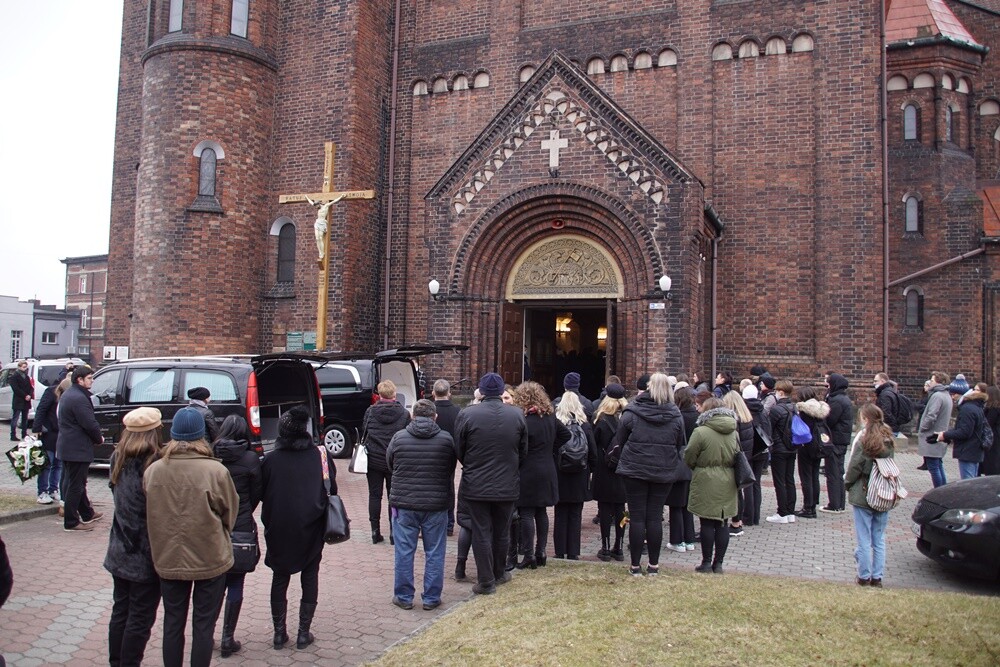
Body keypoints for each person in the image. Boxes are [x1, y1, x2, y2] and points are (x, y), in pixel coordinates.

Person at [144, 406, 238, 667]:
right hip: (210, 555)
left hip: (168, 556)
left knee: (173, 622)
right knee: (203, 625)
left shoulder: (153, 471)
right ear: (201, 436)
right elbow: (230, 512)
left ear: (172, 434)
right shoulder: (215, 471)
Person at [261, 406, 337, 649]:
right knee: (310, 575)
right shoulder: (320, 455)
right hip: (312, 525)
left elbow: (261, 493)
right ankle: (304, 633)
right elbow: (332, 489)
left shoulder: (270, 460)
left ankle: (278, 633)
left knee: (279, 577)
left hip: (279, 526)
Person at [454, 373, 528, 595]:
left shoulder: (467, 414)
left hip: (476, 484)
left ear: (482, 391)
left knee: (481, 531)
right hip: (506, 483)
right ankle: (498, 573)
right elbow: (523, 451)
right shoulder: (517, 415)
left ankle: (487, 580)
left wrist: (473, 466)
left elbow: (460, 449)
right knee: (501, 531)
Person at [609, 373, 686, 576]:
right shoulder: (675, 414)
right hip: (663, 469)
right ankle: (653, 565)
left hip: (634, 469)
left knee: (637, 517)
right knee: (654, 516)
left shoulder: (632, 412)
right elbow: (680, 443)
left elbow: (620, 439)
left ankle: (635, 566)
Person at [105, 407, 164, 667]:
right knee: (140, 616)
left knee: (121, 610)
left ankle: (116, 661)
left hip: (119, 547)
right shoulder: (154, 462)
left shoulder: (118, 457)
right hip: (145, 553)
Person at [386, 399, 458, 611]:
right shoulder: (446, 439)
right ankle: (431, 597)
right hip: (436, 504)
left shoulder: (399, 438)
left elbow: (390, 463)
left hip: (404, 503)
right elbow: (450, 467)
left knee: (404, 551)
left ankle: (403, 596)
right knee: (435, 552)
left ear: (412, 416)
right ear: (435, 416)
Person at [212, 415, 262, 658]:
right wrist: (244, 512)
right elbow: (257, 493)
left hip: (213, 527)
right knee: (236, 581)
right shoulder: (251, 459)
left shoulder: (211, 456)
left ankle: (207, 633)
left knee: (213, 584)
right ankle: (227, 637)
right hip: (241, 525)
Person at [512, 381, 567, 569]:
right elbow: (566, 434)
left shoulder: (525, 420)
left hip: (528, 469)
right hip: (547, 467)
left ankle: (528, 555)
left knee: (526, 512)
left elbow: (518, 446)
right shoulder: (550, 417)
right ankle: (541, 551)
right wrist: (551, 450)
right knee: (541, 511)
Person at [685, 397, 739, 574]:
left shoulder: (701, 431)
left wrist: (697, 467)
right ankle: (719, 563)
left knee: (707, 522)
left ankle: (706, 562)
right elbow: (738, 454)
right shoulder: (733, 431)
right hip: (728, 478)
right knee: (723, 522)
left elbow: (689, 455)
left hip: (706, 477)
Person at [844, 403, 896, 587]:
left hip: (864, 490)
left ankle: (864, 575)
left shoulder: (865, 440)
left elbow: (855, 467)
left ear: (865, 419)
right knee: (879, 538)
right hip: (883, 491)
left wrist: (848, 483)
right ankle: (877, 576)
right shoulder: (888, 439)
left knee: (864, 537)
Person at [362, 380, 410, 545]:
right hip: (394, 460)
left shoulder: (370, 411)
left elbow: (364, 430)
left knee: (374, 495)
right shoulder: (404, 414)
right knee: (393, 497)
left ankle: (375, 531)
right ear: (394, 394)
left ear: (379, 395)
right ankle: (393, 532)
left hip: (373, 459)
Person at [56, 365, 104, 532]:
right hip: (76, 448)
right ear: (80, 380)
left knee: (77, 482)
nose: (92, 381)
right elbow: (89, 423)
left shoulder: (71, 394)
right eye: (90, 378)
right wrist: (99, 438)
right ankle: (71, 521)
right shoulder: (78, 398)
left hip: (69, 446)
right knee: (76, 485)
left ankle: (87, 513)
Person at [553, 392, 597, 560]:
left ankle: (559, 551)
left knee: (560, 513)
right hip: (580, 474)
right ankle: (573, 552)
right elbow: (592, 452)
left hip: (560, 473)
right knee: (575, 514)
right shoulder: (585, 425)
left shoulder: (557, 425)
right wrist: (590, 470)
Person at [591, 384, 628, 561]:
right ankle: (619, 547)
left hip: (604, 469)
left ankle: (605, 547)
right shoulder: (628, 418)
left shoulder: (601, 419)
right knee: (622, 509)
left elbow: (594, 443)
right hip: (623, 469)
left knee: (604, 509)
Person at [666, 386, 697, 552]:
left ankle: (677, 540)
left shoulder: (677, 417)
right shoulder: (698, 416)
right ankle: (689, 539)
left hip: (678, 462)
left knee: (676, 504)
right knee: (688, 504)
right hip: (693, 464)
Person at [937, 382, 988, 480]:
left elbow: (964, 432)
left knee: (968, 483)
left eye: (954, 394)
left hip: (968, 450)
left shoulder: (968, 409)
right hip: (974, 450)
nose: (952, 397)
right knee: (972, 481)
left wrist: (945, 435)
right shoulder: (977, 407)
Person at [720, 390, 754, 534]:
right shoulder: (747, 417)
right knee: (739, 492)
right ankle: (737, 521)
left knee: (734, 494)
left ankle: (734, 523)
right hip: (745, 457)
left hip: (735, 459)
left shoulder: (734, 420)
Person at [793, 386, 829, 519]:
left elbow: (801, 430)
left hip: (806, 445)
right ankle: (813, 504)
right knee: (814, 476)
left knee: (806, 477)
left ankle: (808, 508)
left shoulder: (804, 410)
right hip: (819, 445)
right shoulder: (821, 409)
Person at [431, 379, 461, 535]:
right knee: (448, 487)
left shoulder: (428, 410)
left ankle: (433, 522)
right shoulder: (457, 411)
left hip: (429, 453)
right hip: (450, 453)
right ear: (449, 393)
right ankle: (449, 524)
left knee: (430, 487)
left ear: (433, 392)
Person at [765, 379, 798, 524]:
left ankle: (782, 512)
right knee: (789, 479)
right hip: (792, 447)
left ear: (781, 392)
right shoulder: (794, 407)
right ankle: (790, 512)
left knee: (779, 481)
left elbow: (769, 428)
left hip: (779, 449)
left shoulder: (776, 409)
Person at [820, 373, 853, 513]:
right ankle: (839, 503)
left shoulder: (837, 401)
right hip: (841, 440)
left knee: (833, 472)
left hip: (836, 440)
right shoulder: (841, 398)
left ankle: (835, 504)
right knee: (838, 472)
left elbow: (830, 420)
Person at [740, 384, 771, 526]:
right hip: (762, 451)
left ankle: (748, 516)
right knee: (756, 483)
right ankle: (755, 516)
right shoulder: (762, 410)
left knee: (748, 484)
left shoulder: (744, 412)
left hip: (749, 452)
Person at [916, 372, 952, 488]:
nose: (930, 382)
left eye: (932, 380)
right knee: (938, 465)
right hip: (939, 435)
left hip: (932, 436)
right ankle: (943, 490)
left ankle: (939, 492)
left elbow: (931, 415)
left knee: (933, 467)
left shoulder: (937, 396)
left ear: (938, 382)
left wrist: (923, 427)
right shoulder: (946, 395)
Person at [31, 377, 63, 505]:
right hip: (49, 433)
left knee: (58, 464)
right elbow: (41, 409)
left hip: (60, 435)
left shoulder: (68, 394)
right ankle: (42, 491)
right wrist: (37, 428)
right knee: (46, 464)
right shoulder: (51, 392)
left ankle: (53, 488)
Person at [8, 360, 32, 441]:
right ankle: (12, 435)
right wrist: (25, 395)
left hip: (26, 400)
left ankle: (24, 434)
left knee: (25, 419)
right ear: (19, 367)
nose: (25, 369)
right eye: (23, 367)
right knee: (15, 418)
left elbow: (30, 387)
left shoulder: (27, 376)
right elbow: (16, 389)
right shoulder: (14, 377)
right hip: (18, 400)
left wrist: (29, 395)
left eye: (26, 367)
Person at [982, 385, 1000, 476]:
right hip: (995, 437)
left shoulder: (993, 409)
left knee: (992, 463)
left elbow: (988, 423)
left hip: (994, 439)